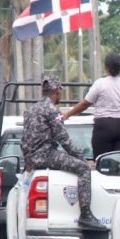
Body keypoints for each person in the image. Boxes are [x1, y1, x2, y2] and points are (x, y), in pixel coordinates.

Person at [23, 76, 107, 230]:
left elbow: (24, 140)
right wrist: (83, 160)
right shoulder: (52, 110)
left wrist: (28, 162)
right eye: (60, 91)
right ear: (57, 91)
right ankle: (86, 215)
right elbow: (64, 140)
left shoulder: (32, 109)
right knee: (83, 169)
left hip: (33, 158)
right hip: (46, 155)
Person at [64, 52, 120, 158]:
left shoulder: (100, 84)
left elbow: (85, 104)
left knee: (101, 161)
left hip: (104, 127)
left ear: (106, 67)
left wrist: (67, 114)